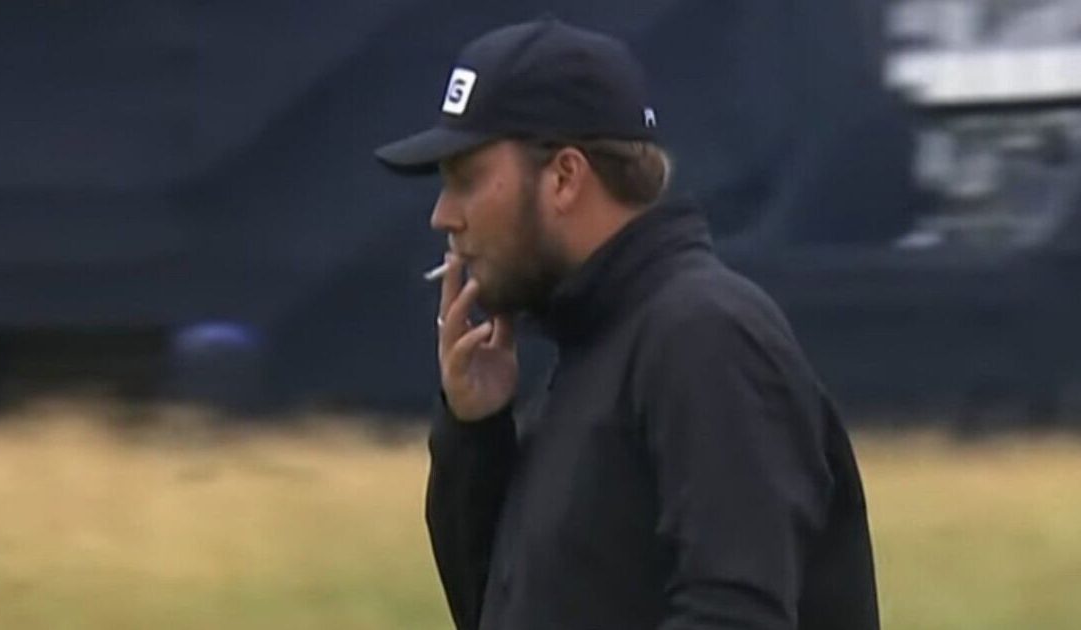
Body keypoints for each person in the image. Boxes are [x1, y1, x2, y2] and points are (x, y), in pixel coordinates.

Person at [374, 17, 879, 630]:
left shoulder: (706, 336)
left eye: (466, 179)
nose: (443, 216)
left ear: (563, 177)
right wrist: (476, 437)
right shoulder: (594, 352)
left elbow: (735, 614)